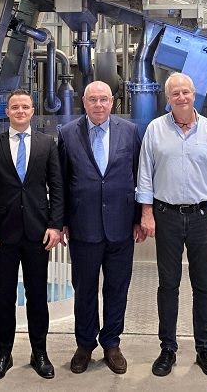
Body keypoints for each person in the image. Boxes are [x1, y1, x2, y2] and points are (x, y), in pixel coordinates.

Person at [137, 72, 207, 380]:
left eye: (186, 92)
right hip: (166, 215)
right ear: (168, 99)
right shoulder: (155, 130)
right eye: (175, 93)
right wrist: (146, 213)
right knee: (168, 285)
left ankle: (204, 349)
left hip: (203, 217)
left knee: (203, 286)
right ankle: (167, 348)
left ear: (195, 95)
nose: (181, 97)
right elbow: (145, 174)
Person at [0, 89, 65, 382]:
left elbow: (57, 187)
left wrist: (55, 225)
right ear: (8, 111)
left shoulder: (47, 144)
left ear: (32, 110)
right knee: (4, 297)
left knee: (37, 295)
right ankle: (3, 353)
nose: (20, 111)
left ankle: (39, 352)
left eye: (25, 106)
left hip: (39, 233)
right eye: (14, 107)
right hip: (3, 234)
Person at [57, 81, 144, 375]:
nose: (98, 104)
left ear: (112, 102)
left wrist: (139, 217)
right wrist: (61, 221)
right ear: (84, 102)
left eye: (103, 99)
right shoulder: (67, 134)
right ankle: (84, 345)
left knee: (117, 289)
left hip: (121, 226)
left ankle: (111, 344)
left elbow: (139, 176)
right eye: (93, 99)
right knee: (84, 290)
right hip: (83, 227)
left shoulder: (129, 131)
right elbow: (61, 182)